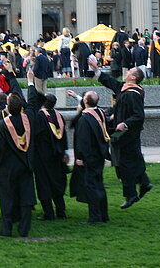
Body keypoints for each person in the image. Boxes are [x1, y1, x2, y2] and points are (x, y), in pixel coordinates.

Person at [90, 58, 152, 209]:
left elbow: (139, 115)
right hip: (122, 133)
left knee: (125, 165)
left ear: (134, 78)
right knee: (133, 160)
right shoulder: (126, 89)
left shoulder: (134, 93)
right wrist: (96, 69)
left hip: (127, 133)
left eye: (130, 72)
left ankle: (131, 194)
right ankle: (144, 183)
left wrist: (125, 123)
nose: (127, 72)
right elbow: (112, 83)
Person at [0, 93, 35, 237]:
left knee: (7, 198)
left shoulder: (2, 125)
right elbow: (33, 103)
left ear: (8, 108)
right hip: (25, 165)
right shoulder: (28, 121)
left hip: (7, 167)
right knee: (26, 197)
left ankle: (6, 229)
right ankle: (24, 228)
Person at [25, 70, 68, 221]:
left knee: (44, 184)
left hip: (42, 157)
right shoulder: (59, 116)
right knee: (56, 183)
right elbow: (64, 137)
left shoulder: (39, 117)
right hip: (57, 156)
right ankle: (61, 212)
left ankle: (49, 213)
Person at [70, 90, 110, 224]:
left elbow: (83, 142)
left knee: (91, 187)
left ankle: (95, 217)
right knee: (99, 185)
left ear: (86, 102)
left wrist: (81, 159)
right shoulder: (100, 113)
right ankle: (104, 215)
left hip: (89, 158)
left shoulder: (84, 119)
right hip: (99, 156)